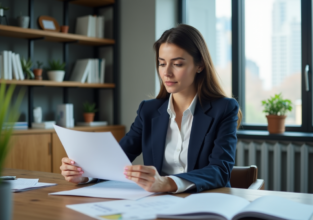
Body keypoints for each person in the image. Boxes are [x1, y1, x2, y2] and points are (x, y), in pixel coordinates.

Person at [60, 24, 242, 193]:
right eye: (162, 63)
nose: (166, 72)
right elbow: (117, 159)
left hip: (206, 202)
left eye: (177, 64)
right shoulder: (148, 111)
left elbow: (220, 170)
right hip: (156, 205)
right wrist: (85, 174)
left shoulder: (224, 109)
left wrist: (167, 182)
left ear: (200, 65)